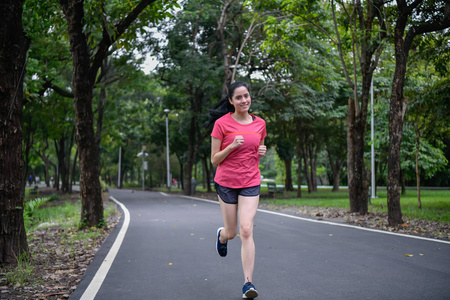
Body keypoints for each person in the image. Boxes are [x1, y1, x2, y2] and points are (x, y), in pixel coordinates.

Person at [209, 81, 267, 299]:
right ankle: (222, 236)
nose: (244, 100)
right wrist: (231, 146)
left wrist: (262, 151)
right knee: (232, 232)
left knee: (246, 230)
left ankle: (248, 284)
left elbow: (256, 149)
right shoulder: (221, 124)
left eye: (247, 96)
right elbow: (214, 159)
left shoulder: (260, 123)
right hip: (226, 183)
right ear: (231, 101)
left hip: (250, 181)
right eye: (239, 97)